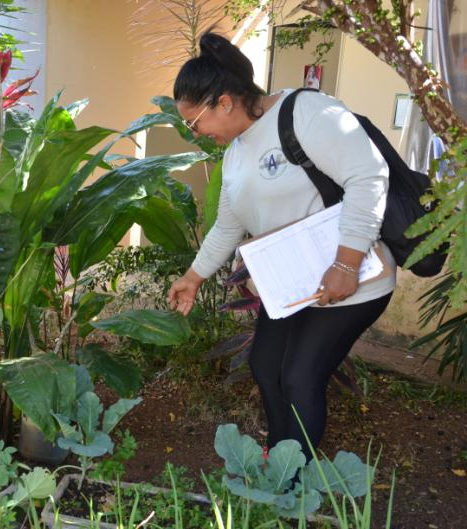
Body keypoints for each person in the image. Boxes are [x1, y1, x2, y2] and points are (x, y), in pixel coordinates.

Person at [167, 32, 396, 461]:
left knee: (299, 377)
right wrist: (193, 278)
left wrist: (345, 266)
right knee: (266, 366)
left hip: (354, 280)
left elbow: (369, 176)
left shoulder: (305, 111)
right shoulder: (235, 153)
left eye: (194, 123)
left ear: (224, 102)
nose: (195, 134)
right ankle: (281, 454)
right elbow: (226, 226)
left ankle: (295, 479)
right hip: (295, 284)